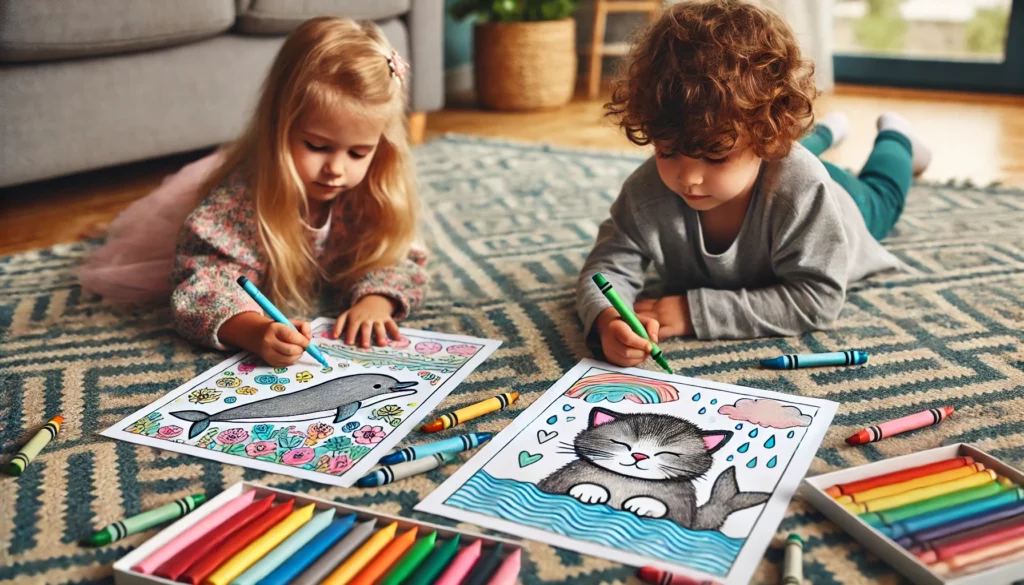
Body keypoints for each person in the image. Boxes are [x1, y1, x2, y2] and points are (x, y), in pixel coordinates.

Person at [577, 0, 931, 367]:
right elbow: (607, 267)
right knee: (757, 159)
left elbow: (818, 299)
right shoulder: (647, 191)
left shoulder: (805, 190)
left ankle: (897, 135)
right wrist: (608, 318)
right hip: (769, 166)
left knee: (882, 195)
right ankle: (828, 131)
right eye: (667, 151)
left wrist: (693, 311)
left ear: (770, 138)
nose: (688, 177)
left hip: (845, 204)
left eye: (715, 156)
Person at [80, 17, 428, 366]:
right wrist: (255, 331)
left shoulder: (373, 187)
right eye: (317, 145)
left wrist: (377, 301)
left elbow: (396, 254)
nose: (336, 169)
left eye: (358, 153)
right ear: (278, 125)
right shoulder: (237, 204)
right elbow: (202, 290)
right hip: (249, 212)